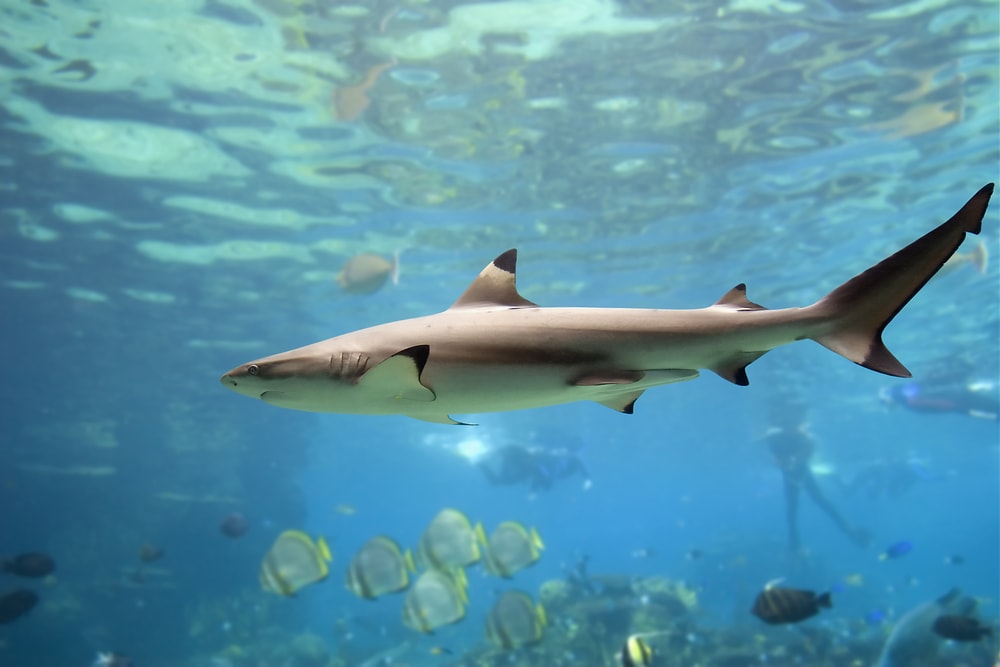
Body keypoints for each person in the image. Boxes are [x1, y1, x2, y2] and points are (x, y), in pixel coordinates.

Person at [763, 407, 871, 553]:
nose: (790, 425)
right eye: (787, 423)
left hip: (799, 471)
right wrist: (786, 466)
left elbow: (800, 460)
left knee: (811, 504)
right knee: (803, 506)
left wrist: (791, 468)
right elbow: (777, 458)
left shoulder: (805, 439)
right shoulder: (774, 437)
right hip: (791, 472)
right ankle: (796, 542)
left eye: (793, 422)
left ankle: (797, 542)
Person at [478, 444, 591, 494]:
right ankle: (480, 461)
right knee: (498, 481)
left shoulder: (536, 468)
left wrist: (533, 491)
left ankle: (480, 461)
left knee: (498, 482)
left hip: (520, 463)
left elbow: (537, 476)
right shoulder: (517, 454)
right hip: (514, 458)